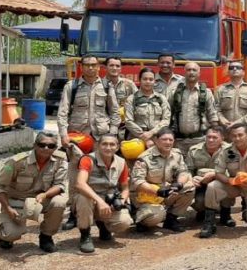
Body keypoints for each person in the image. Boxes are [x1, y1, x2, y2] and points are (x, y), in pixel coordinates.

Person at [57, 54, 120, 230]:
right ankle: (73, 213)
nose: (91, 68)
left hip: (101, 140)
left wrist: (112, 134)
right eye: (87, 65)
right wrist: (63, 135)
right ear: (81, 66)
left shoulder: (107, 86)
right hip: (77, 139)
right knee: (74, 175)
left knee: (100, 175)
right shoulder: (72, 86)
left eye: (94, 65)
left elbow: (115, 113)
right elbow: (62, 112)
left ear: (99, 67)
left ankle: (101, 213)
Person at [0, 131, 68, 252]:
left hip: (42, 199)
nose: (46, 148)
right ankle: (5, 236)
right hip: (17, 201)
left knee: (60, 202)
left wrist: (45, 195)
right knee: (11, 234)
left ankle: (46, 236)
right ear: (35, 145)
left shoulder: (60, 160)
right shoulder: (16, 162)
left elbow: (59, 184)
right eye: (42, 145)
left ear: (55, 148)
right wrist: (8, 208)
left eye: (51, 146)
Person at [199, 124, 247, 237]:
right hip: (234, 186)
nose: (237, 138)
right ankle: (209, 223)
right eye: (234, 136)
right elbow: (218, 173)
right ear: (230, 137)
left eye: (240, 135)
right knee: (213, 186)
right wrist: (230, 181)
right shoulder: (226, 151)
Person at [74, 134, 132, 253]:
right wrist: (100, 202)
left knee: (125, 222)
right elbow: (80, 184)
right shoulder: (88, 159)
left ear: (117, 147)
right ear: (98, 146)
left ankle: (104, 226)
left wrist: (121, 201)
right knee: (83, 198)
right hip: (90, 200)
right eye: (104, 144)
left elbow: (125, 188)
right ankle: (85, 235)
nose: (108, 147)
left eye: (112, 144)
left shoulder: (121, 162)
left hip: (108, 200)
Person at [130, 129, 195, 233]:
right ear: (156, 140)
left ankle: (171, 219)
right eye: (164, 139)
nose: (168, 142)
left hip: (167, 191)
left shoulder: (177, 154)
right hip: (149, 195)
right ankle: (141, 220)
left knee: (189, 186)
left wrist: (179, 184)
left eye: (170, 140)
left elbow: (183, 171)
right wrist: (158, 191)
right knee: (154, 218)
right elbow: (137, 182)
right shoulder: (145, 158)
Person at [186, 127, 234, 226]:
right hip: (201, 185)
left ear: (222, 138)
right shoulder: (194, 150)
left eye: (215, 137)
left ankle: (225, 214)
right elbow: (187, 170)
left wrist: (214, 175)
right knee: (198, 201)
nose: (211, 140)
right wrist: (191, 178)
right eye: (208, 137)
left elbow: (233, 172)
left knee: (225, 184)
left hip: (221, 184)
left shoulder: (230, 151)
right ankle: (203, 211)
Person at [168, 62, 219, 155]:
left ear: (199, 73)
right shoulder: (174, 92)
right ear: (184, 73)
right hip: (179, 141)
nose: (191, 72)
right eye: (188, 70)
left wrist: (215, 136)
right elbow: (168, 114)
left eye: (194, 70)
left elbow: (213, 115)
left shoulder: (206, 93)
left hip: (200, 141)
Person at [125, 67, 171, 148]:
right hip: (136, 141)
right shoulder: (131, 99)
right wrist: (144, 137)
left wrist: (151, 133)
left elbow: (166, 120)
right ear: (140, 80)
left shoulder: (161, 98)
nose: (148, 82)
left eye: (151, 79)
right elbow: (128, 121)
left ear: (154, 81)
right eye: (145, 79)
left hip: (157, 139)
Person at [215, 60, 247, 137]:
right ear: (228, 72)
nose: (235, 69)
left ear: (243, 72)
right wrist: (223, 121)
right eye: (231, 68)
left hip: (245, 133)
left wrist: (239, 122)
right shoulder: (220, 89)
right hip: (226, 133)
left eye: (238, 68)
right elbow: (216, 109)